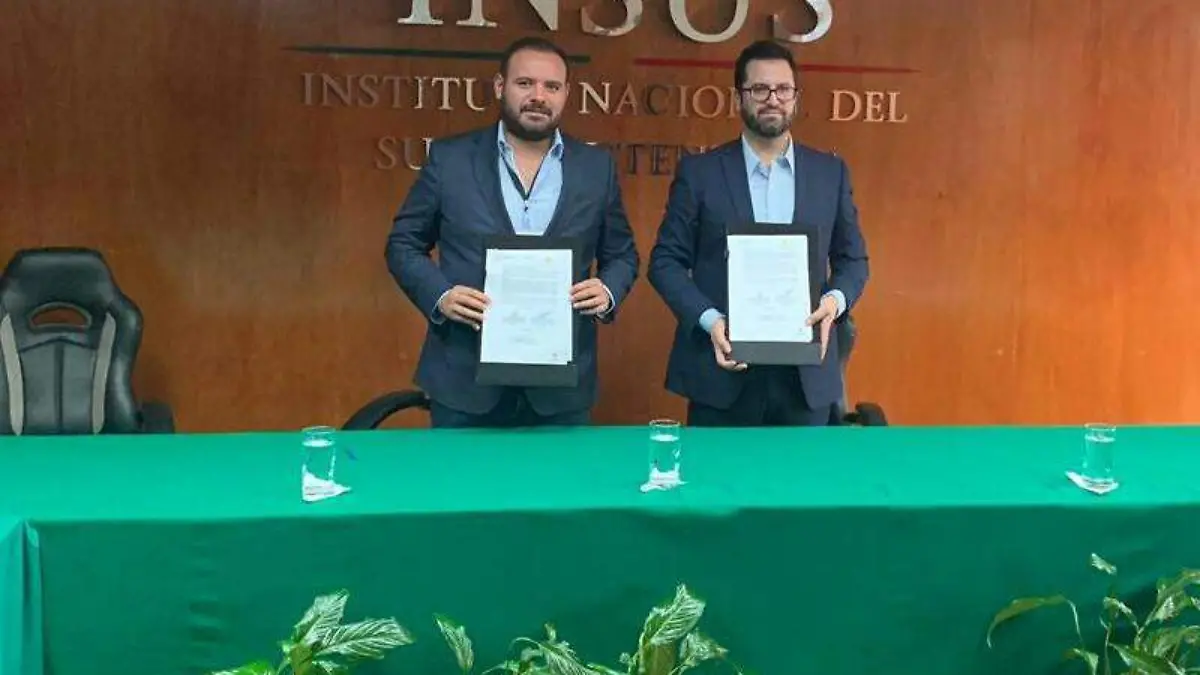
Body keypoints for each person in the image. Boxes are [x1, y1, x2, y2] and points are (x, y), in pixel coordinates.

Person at [385, 36, 640, 429]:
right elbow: (403, 243)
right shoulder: (451, 160)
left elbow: (622, 254)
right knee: (462, 474)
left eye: (551, 86)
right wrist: (440, 295)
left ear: (566, 94)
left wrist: (607, 290)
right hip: (464, 381)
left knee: (558, 474)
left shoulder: (595, 168)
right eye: (525, 83)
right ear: (500, 86)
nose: (538, 96)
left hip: (561, 388)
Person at [647, 39, 869, 427]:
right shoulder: (700, 173)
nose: (772, 99)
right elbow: (665, 262)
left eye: (783, 89)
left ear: (796, 97)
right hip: (721, 370)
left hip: (805, 376)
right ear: (739, 97)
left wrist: (834, 303)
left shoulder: (829, 173)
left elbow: (854, 261)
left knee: (803, 470)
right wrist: (710, 320)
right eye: (759, 89)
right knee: (718, 469)